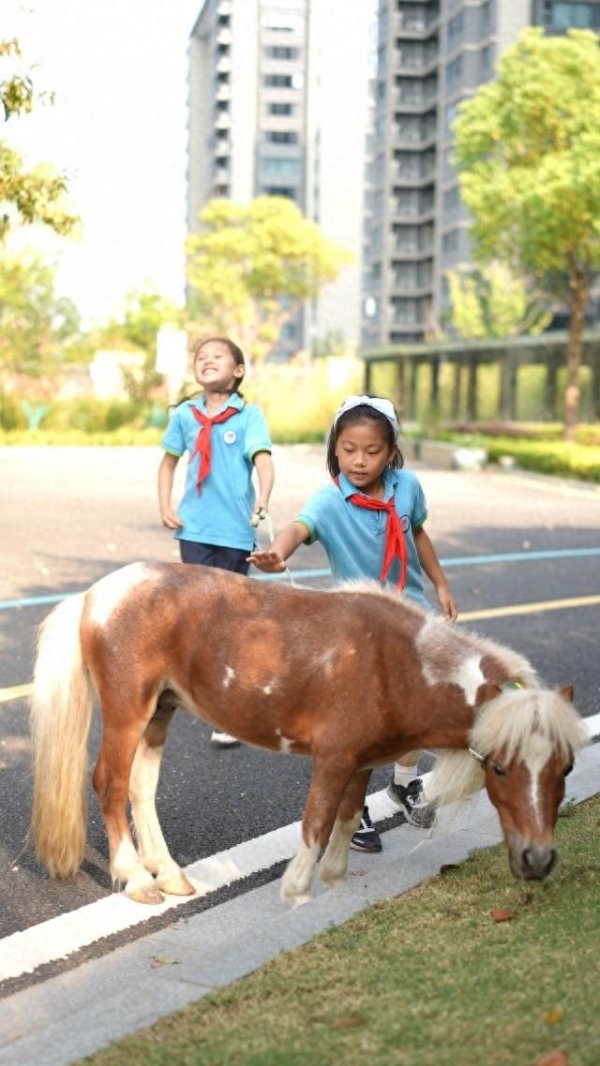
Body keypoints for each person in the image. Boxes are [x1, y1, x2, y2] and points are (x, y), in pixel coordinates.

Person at [248, 394, 457, 852]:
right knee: (360, 723)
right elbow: (299, 528)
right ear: (335, 449)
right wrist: (276, 554)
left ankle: (404, 783)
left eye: (372, 451)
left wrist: (440, 584)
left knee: (412, 710)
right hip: (358, 629)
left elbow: (417, 532)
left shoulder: (408, 487)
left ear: (391, 451)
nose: (359, 461)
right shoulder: (330, 499)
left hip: (409, 618)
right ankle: (353, 808)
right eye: (348, 449)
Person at [158, 334, 274, 746]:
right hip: (195, 528)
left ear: (238, 371)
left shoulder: (248, 416)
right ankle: (192, 688)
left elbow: (263, 461)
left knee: (231, 614)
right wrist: (165, 504)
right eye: (201, 357)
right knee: (197, 610)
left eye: (217, 357)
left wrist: (262, 498)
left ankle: (229, 706)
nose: (207, 361)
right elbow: (168, 462)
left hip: (235, 532)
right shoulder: (186, 415)